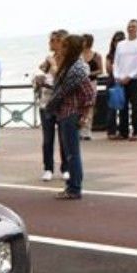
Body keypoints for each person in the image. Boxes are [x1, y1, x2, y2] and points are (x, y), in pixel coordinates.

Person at [45, 34, 95, 200]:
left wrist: (85, 115)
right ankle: (72, 186)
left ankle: (74, 188)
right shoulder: (70, 67)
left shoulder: (77, 69)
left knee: (72, 153)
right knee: (69, 152)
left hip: (71, 113)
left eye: (65, 46)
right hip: (65, 112)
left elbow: (89, 93)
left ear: (72, 48)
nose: (62, 48)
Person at [34, 29, 68, 181]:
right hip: (46, 102)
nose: (50, 43)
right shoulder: (49, 59)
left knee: (64, 138)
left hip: (62, 104)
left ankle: (66, 168)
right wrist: (38, 80)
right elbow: (45, 74)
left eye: (53, 40)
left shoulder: (68, 60)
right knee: (47, 139)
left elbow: (61, 77)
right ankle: (48, 168)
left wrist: (53, 64)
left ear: (61, 41)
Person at [112, 18, 137, 140]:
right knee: (122, 106)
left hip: (135, 79)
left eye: (133, 26)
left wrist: (131, 75)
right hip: (121, 79)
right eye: (129, 26)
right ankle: (123, 132)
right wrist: (117, 76)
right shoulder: (121, 45)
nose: (131, 28)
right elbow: (116, 62)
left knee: (135, 106)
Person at [80, 34, 103, 141]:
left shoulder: (96, 55)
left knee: (90, 106)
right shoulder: (78, 55)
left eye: (84, 41)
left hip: (92, 82)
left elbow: (101, 71)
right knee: (80, 106)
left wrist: (89, 73)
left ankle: (87, 130)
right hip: (80, 84)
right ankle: (79, 129)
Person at [104, 31, 126, 139]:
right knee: (111, 108)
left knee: (124, 108)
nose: (117, 43)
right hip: (112, 82)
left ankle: (123, 131)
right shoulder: (110, 55)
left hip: (124, 81)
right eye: (116, 41)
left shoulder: (126, 54)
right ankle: (111, 131)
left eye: (120, 40)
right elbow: (108, 69)